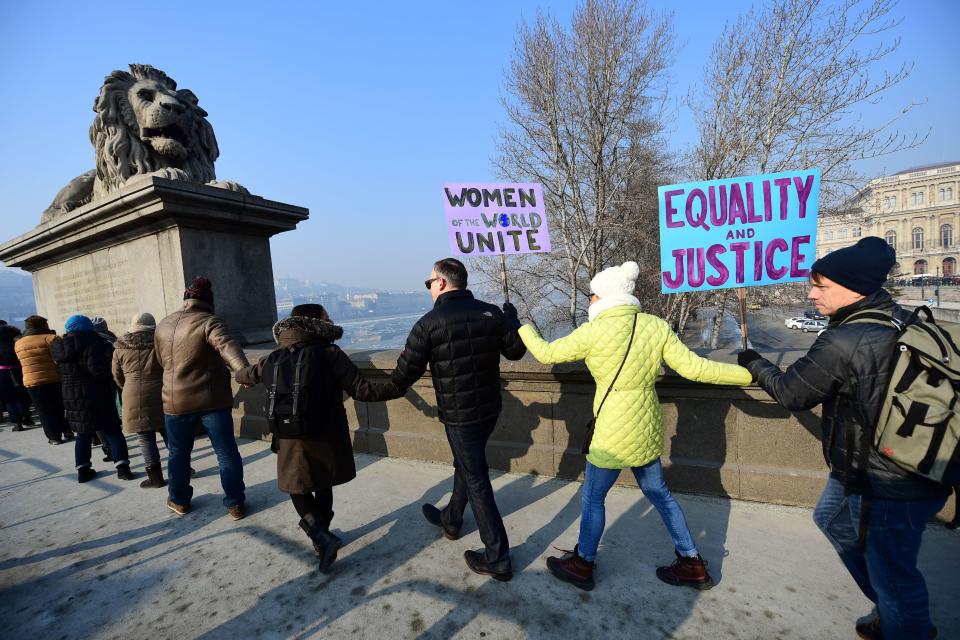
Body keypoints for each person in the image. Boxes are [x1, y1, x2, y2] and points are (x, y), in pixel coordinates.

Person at [737, 237, 950, 639]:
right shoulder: (903, 318)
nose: (810, 293)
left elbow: (792, 393)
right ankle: (894, 610)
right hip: (890, 465)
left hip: (889, 479)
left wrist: (753, 362)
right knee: (832, 520)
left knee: (895, 577)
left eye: (820, 286)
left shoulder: (845, 339)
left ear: (853, 288)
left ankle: (905, 622)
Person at [517, 261, 752, 591]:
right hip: (645, 426)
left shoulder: (593, 331)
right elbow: (695, 368)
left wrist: (522, 327)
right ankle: (692, 563)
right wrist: (749, 374)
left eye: (592, 294)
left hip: (611, 432)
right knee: (661, 494)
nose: (589, 300)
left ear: (604, 297)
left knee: (594, 499)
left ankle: (583, 564)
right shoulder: (654, 326)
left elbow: (545, 353)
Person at [386, 258, 526, 581]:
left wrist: (365, 390)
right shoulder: (491, 312)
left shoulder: (428, 324)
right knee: (467, 465)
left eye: (429, 282)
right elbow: (516, 351)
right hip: (490, 410)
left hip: (459, 418)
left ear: (442, 284)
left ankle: (498, 557)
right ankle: (451, 519)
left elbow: (402, 376)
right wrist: (512, 318)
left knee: (477, 480)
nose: (429, 287)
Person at [236, 304, 400, 571]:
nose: (330, 320)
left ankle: (321, 538)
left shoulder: (274, 358)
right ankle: (323, 536)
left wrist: (241, 375)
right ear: (314, 323)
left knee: (295, 486)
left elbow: (247, 374)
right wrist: (399, 384)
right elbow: (364, 391)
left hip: (290, 436)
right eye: (326, 318)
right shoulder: (330, 354)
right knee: (323, 483)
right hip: (327, 433)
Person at [155, 276, 250, 519]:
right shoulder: (209, 322)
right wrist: (243, 372)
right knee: (226, 452)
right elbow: (227, 345)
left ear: (186, 299)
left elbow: (160, 361)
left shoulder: (163, 324)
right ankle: (235, 503)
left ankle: (179, 500)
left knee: (177, 453)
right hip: (212, 401)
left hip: (174, 400)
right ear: (208, 302)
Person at [51, 314, 132, 482]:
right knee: (112, 431)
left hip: (72, 397)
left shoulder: (59, 348)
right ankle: (122, 468)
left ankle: (83, 470)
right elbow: (98, 372)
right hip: (97, 394)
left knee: (83, 433)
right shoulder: (95, 344)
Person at [113, 312, 167, 489]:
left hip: (132, 393)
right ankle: (183, 468)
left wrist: (128, 388)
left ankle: (155, 478)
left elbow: (117, 375)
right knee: (170, 433)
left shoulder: (120, 347)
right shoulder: (161, 342)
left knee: (146, 438)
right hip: (162, 391)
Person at [14, 315, 74, 444]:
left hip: (32, 381)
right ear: (43, 325)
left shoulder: (18, 343)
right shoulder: (51, 338)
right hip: (55, 379)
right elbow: (59, 359)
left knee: (44, 411)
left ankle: (54, 437)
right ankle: (67, 430)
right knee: (61, 407)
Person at [0, 319, 33, 431]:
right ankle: (27, 417)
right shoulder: (15, 335)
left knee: (9, 399)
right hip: (18, 369)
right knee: (22, 395)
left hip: (2, 373)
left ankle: (17, 423)